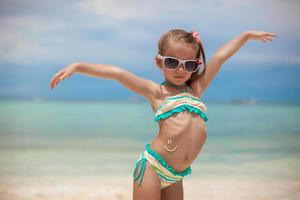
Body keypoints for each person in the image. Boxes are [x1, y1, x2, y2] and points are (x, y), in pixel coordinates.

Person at [49, 29, 276, 200]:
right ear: (159, 61)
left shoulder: (195, 90)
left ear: (196, 66)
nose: (180, 69)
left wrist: (246, 36)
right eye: (172, 62)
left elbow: (218, 57)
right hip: (152, 168)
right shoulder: (156, 92)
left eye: (189, 65)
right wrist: (78, 66)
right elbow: (118, 74)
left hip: (176, 174)